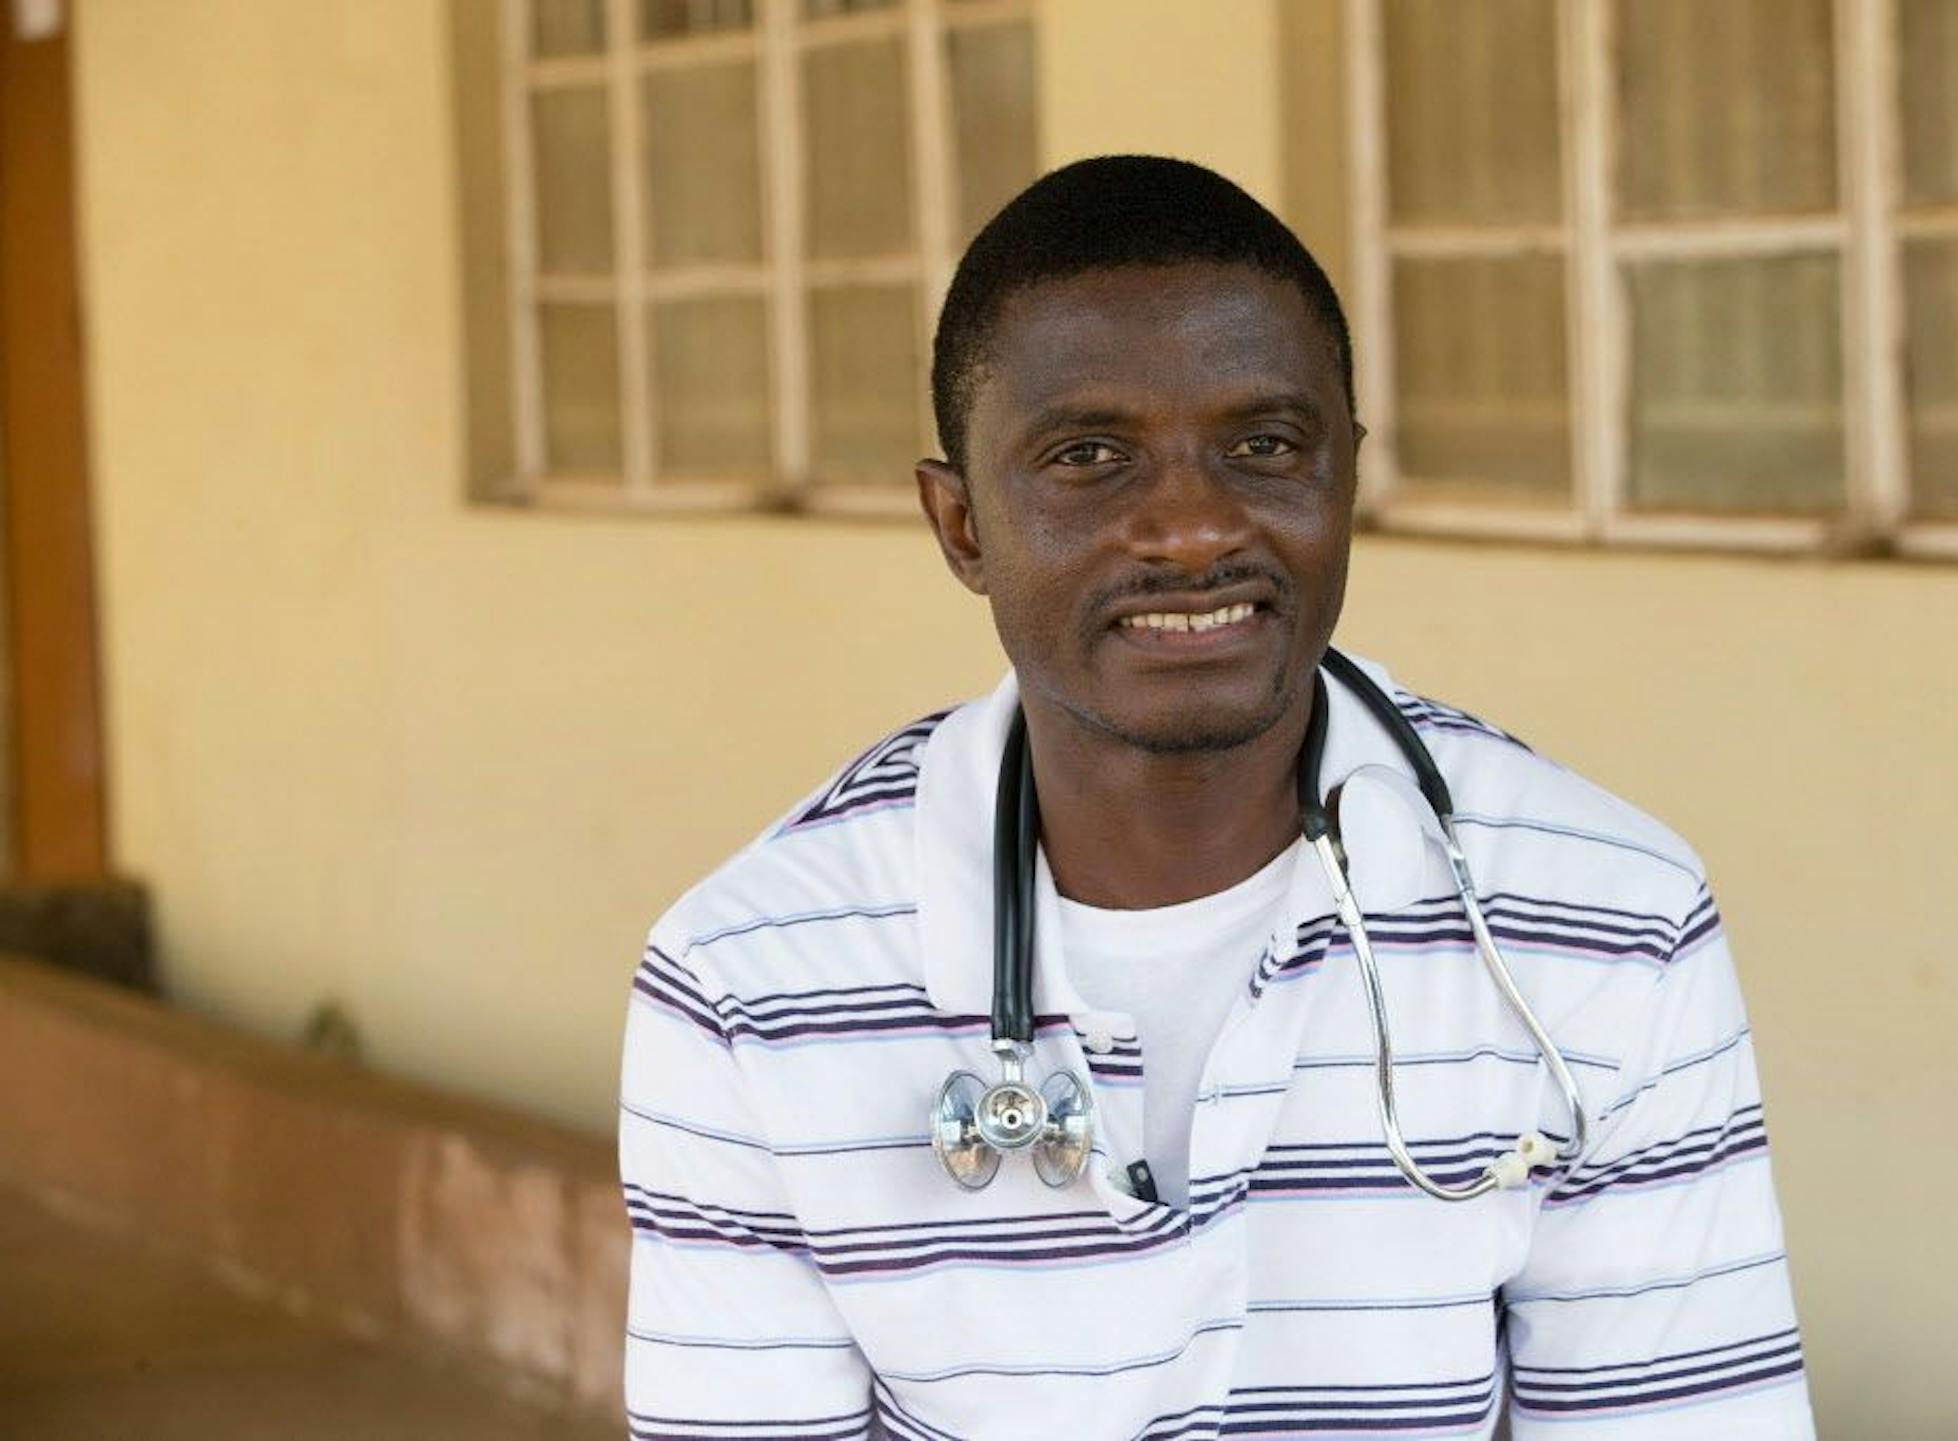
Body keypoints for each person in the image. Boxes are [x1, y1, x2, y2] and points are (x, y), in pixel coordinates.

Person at [619, 155, 1814, 1440]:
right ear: (961, 525)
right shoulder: (749, 979)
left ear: (1344, 478)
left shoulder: (1607, 920)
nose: (1191, 527)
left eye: (1263, 445)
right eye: (1089, 455)